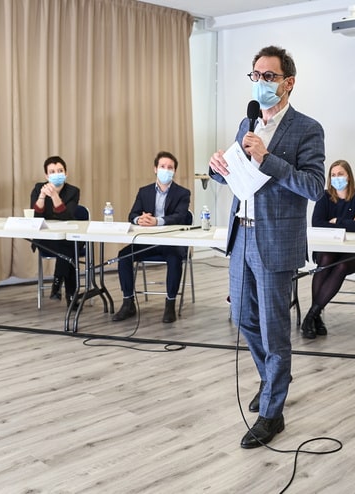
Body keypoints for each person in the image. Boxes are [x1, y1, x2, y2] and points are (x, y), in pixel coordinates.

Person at [208, 46, 325, 449]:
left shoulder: (307, 128)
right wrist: (217, 168)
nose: (260, 82)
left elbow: (313, 187)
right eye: (255, 75)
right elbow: (235, 178)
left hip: (276, 241)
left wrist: (268, 157)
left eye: (269, 76)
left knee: (276, 332)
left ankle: (272, 414)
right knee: (242, 316)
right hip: (242, 234)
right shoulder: (247, 122)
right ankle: (274, 377)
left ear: (288, 82)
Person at [111, 151, 191, 324]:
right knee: (123, 255)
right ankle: (128, 302)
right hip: (147, 242)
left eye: (170, 167)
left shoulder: (183, 193)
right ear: (155, 169)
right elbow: (131, 214)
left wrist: (157, 221)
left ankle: (170, 304)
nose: (166, 170)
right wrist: (138, 219)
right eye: (162, 166)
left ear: (174, 171)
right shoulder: (144, 192)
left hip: (171, 243)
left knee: (175, 259)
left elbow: (180, 217)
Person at [303, 160, 355, 339]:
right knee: (325, 259)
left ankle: (311, 315)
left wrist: (335, 222)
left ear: (348, 176)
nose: (336, 178)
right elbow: (317, 224)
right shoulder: (324, 196)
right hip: (329, 248)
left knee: (340, 266)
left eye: (340, 174)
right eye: (333, 175)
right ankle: (315, 317)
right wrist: (350, 223)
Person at [30, 156, 80, 304]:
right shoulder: (39, 188)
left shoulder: (73, 191)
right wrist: (42, 196)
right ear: (46, 175)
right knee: (70, 250)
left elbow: (68, 216)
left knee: (69, 245)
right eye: (52, 171)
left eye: (60, 170)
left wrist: (55, 196)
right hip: (45, 237)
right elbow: (36, 216)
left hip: (66, 236)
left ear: (66, 173)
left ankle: (58, 283)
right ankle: (71, 296)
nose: (56, 174)